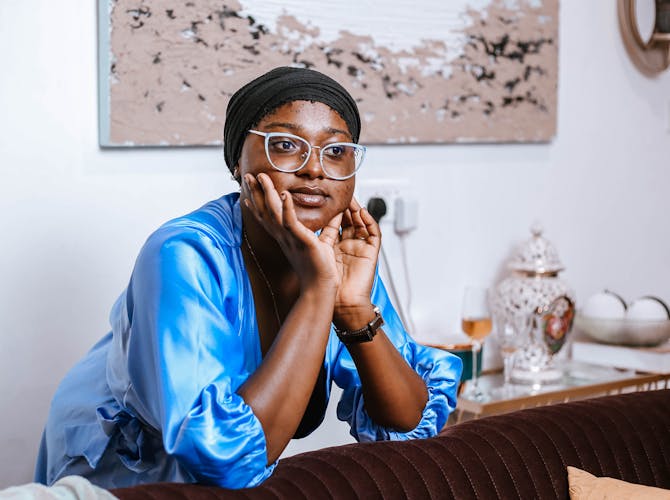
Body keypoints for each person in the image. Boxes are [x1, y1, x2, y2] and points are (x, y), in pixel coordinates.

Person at [35, 67, 462, 490]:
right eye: (285, 145)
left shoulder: (332, 253)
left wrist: (351, 308)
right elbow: (227, 461)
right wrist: (318, 292)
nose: (315, 169)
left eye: (335, 151)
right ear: (237, 162)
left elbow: (408, 421)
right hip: (125, 471)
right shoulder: (182, 254)